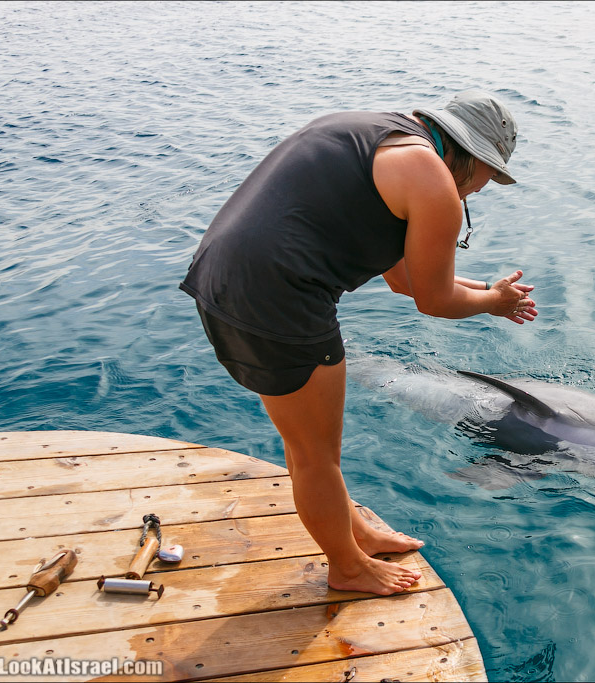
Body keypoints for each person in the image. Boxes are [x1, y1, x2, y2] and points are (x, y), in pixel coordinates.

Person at [179, 91, 537, 596]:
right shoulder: (434, 183)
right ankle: (347, 568)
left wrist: (487, 290)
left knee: (306, 442)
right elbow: (432, 302)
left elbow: (404, 279)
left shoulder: (373, 133)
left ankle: (357, 531)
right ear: (472, 155)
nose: (483, 189)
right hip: (277, 298)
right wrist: (494, 305)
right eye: (490, 176)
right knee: (316, 455)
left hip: (222, 278)